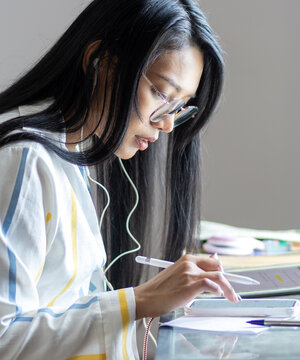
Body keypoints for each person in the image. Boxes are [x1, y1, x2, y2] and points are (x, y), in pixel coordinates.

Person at [0, 0, 240, 358]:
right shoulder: (25, 159)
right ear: (100, 62)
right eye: (161, 93)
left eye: (179, 106)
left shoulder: (70, 152)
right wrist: (140, 301)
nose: (168, 123)